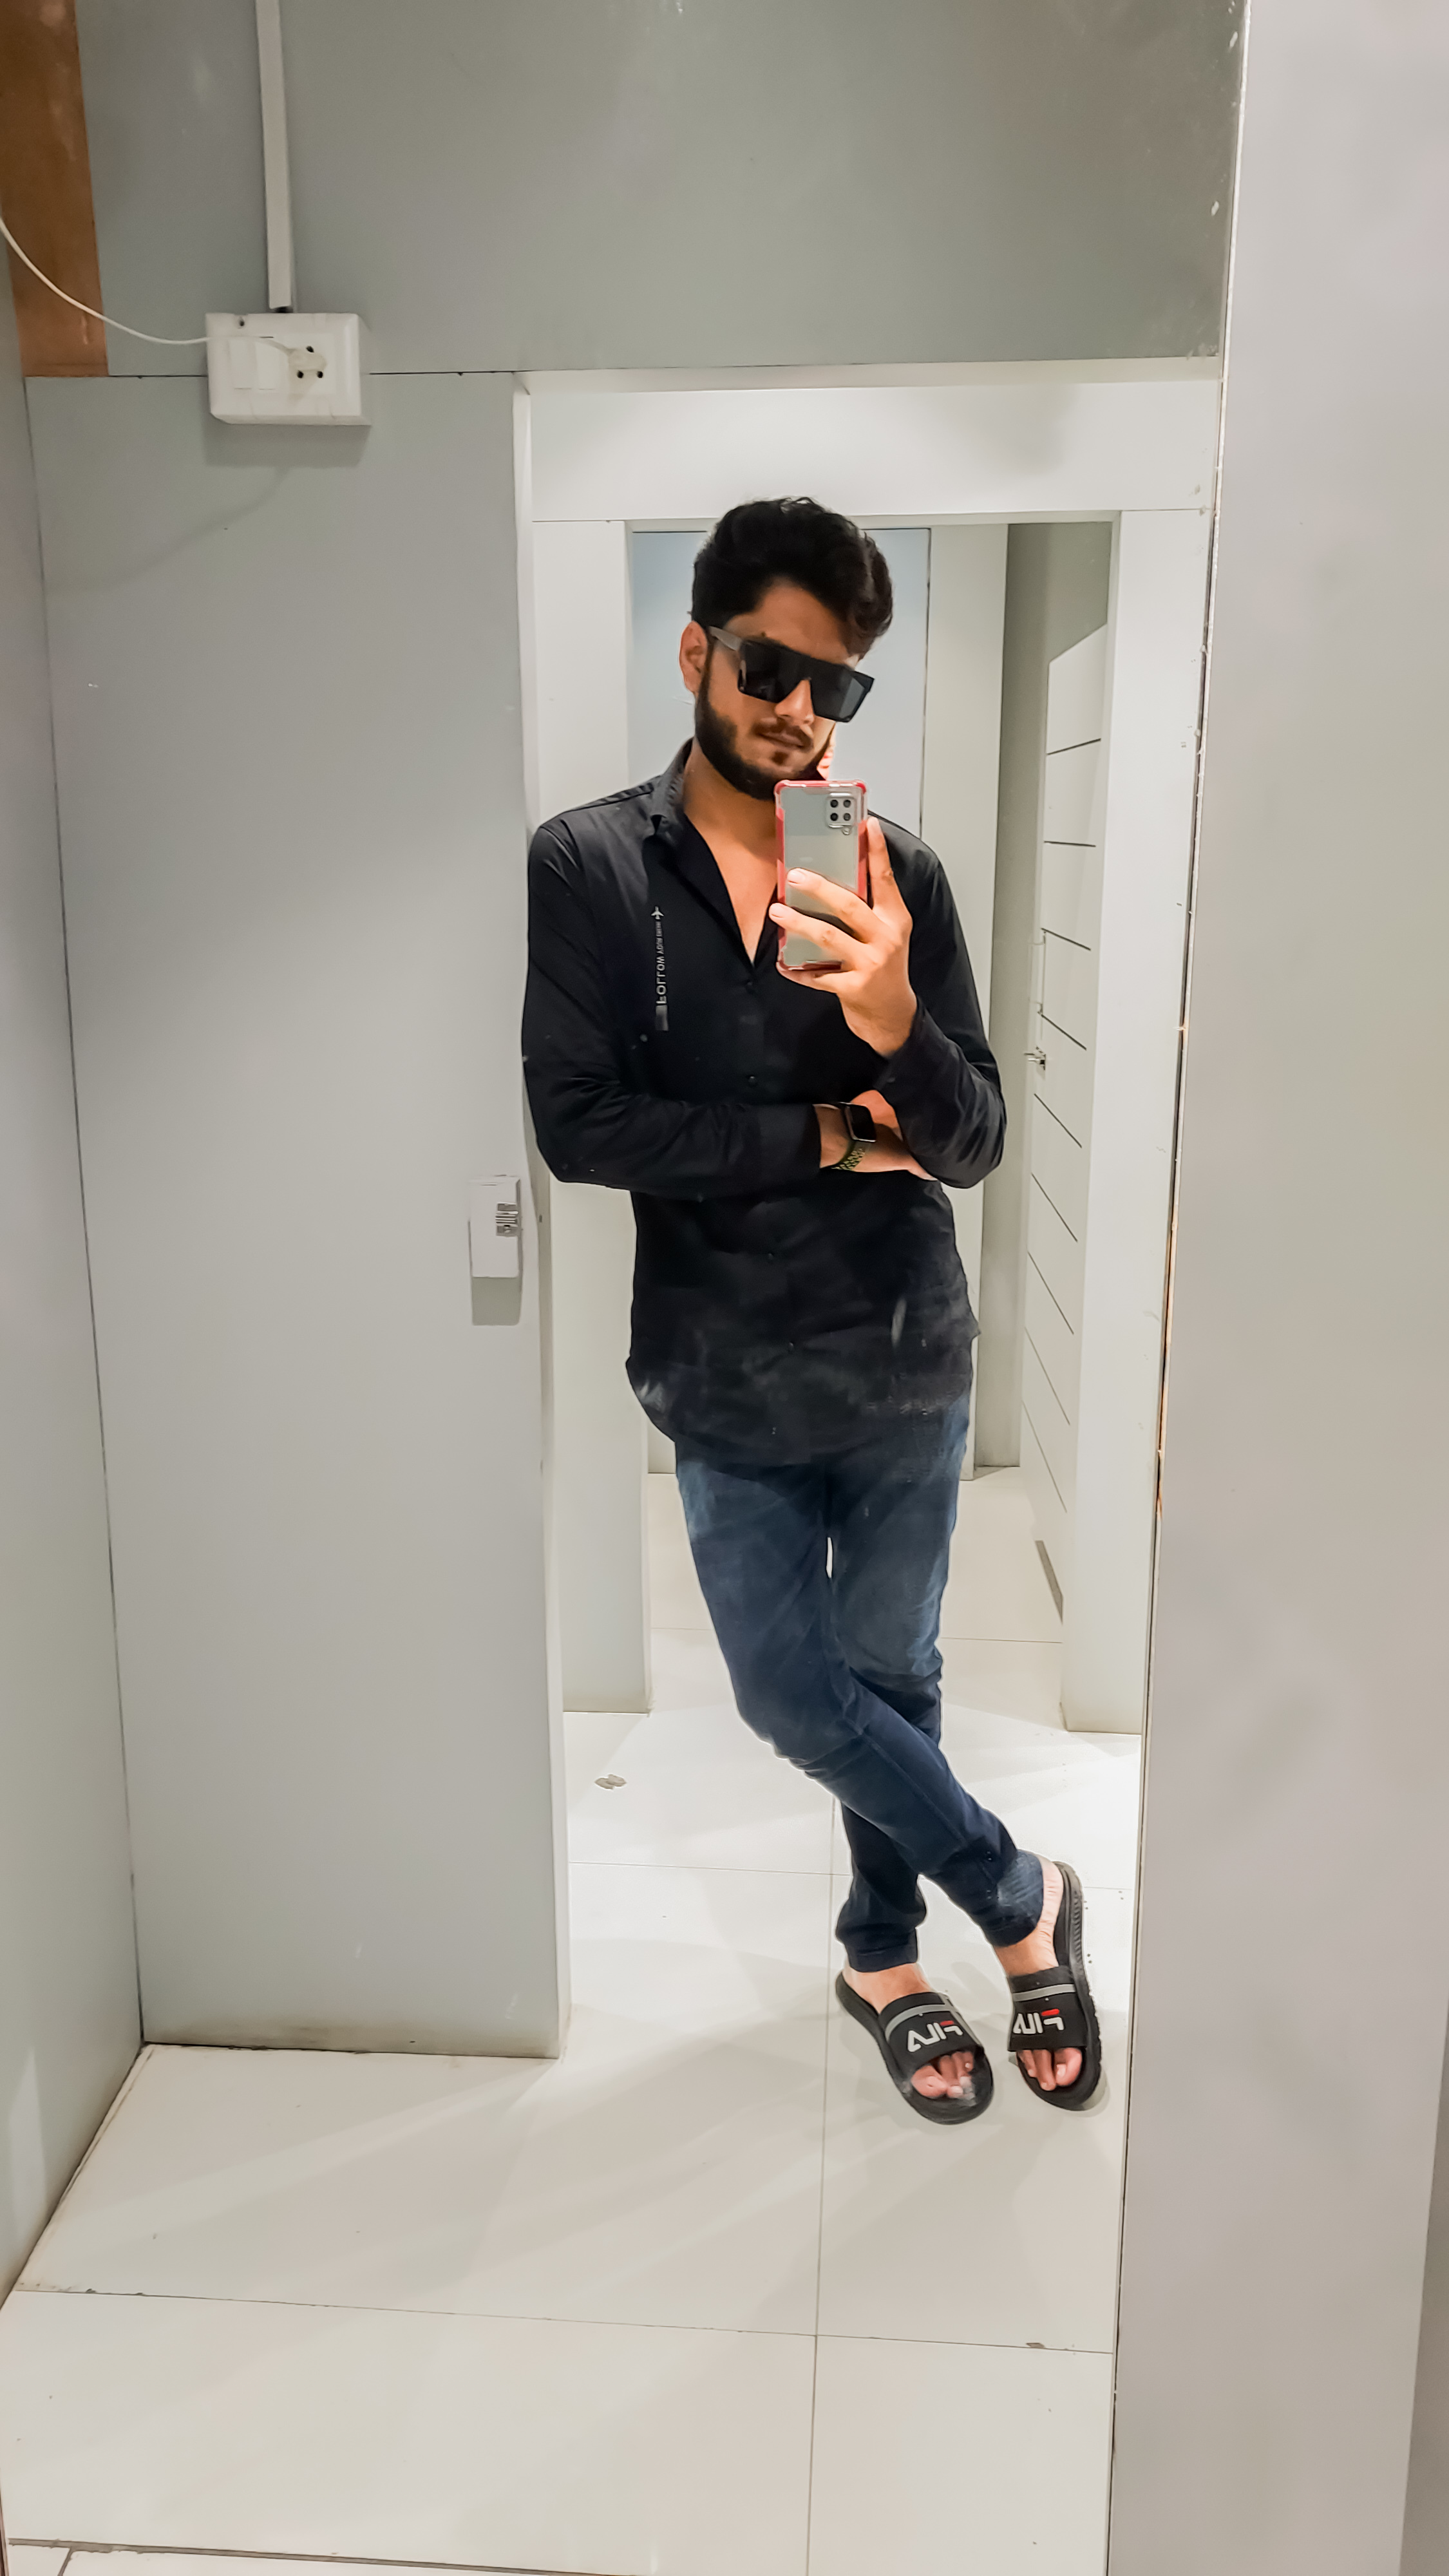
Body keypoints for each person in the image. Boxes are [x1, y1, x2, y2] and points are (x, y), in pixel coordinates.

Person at [524, 497, 1100, 2123]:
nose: (797, 708)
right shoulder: (589, 864)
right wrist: (835, 1130)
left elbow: (971, 1142)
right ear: (695, 649)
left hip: (906, 1350)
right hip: (719, 1365)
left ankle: (881, 1948)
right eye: (768, 667)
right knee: (792, 1691)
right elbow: (583, 1126)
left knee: (894, 1674)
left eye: (834, 685)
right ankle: (1021, 1892)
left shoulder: (897, 873)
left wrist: (898, 1016)